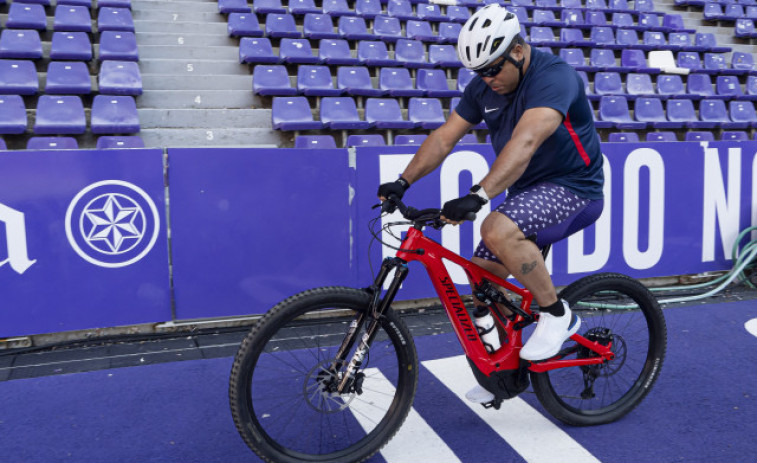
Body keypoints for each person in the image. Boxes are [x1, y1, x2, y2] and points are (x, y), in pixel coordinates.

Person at [377, 4, 605, 403]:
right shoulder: (484, 87)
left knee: (495, 227)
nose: (487, 79)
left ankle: (556, 315)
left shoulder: (555, 78)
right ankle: (506, 374)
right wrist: (402, 181)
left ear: (518, 50)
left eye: (493, 69)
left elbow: (527, 141)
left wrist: (478, 195)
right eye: (478, 72)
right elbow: (445, 137)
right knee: (481, 279)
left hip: (573, 187)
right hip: (527, 194)